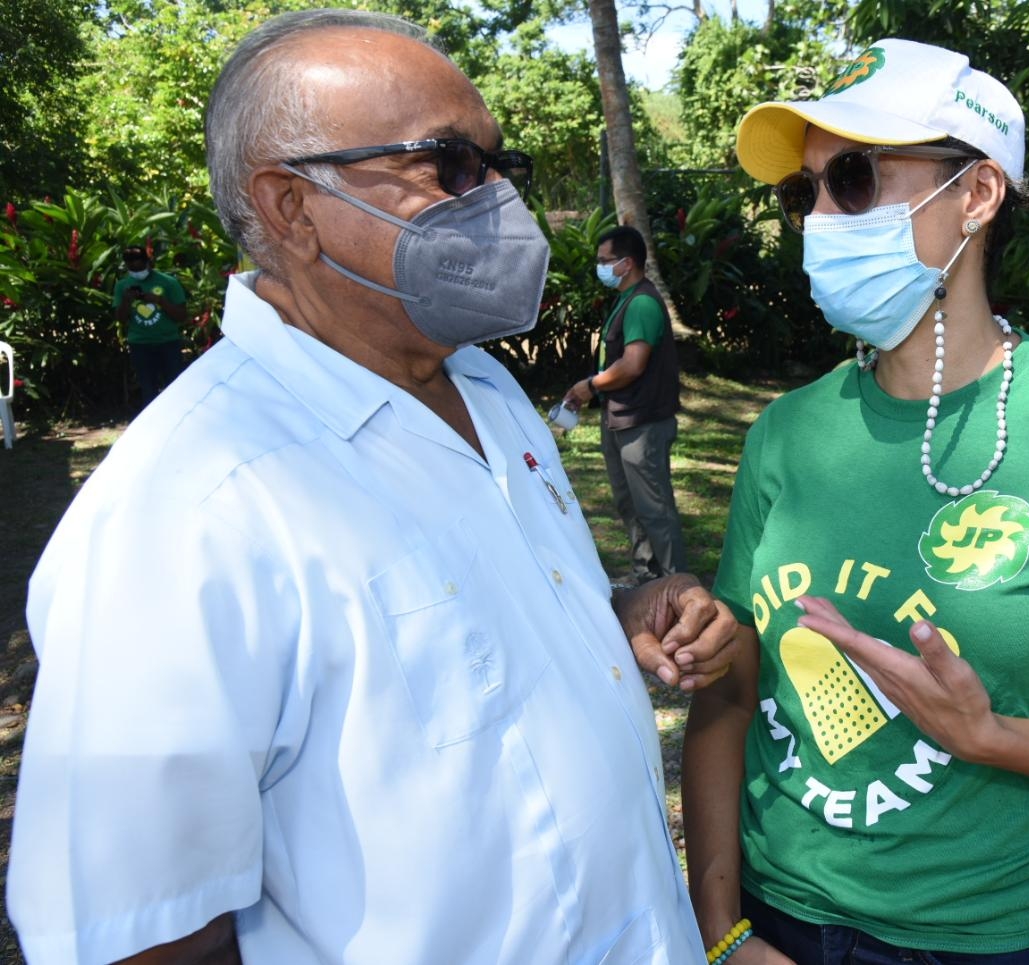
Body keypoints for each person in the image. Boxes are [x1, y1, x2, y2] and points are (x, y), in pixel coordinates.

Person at [8, 10, 737, 964]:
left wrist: (627, 608)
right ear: (291, 208)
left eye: (496, 167)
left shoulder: (486, 388)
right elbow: (143, 935)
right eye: (450, 165)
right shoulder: (185, 513)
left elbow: (486, 628)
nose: (499, 205)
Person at [682, 38, 1029, 965]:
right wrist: (721, 928)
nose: (819, 215)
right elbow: (732, 697)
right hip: (775, 923)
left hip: (991, 940)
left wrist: (990, 734)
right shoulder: (784, 431)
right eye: (802, 191)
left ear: (977, 195)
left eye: (851, 177)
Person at [563, 225, 687, 582]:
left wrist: (590, 386)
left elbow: (632, 364)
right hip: (620, 418)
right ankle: (645, 577)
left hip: (642, 422)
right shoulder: (625, 299)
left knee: (654, 509)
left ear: (627, 263)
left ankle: (676, 585)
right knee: (630, 504)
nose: (600, 267)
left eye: (605, 261)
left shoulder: (643, 302)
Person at [113, 243, 189, 407]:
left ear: (149, 263)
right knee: (148, 388)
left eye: (140, 267)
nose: (137, 271)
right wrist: (126, 301)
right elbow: (120, 319)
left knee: (175, 386)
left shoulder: (168, 283)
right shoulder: (121, 287)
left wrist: (160, 301)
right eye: (132, 269)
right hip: (140, 345)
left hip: (168, 343)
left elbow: (182, 316)